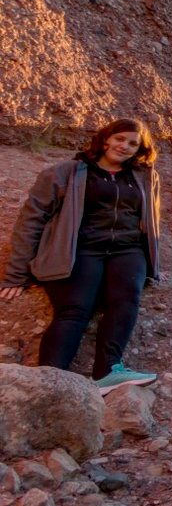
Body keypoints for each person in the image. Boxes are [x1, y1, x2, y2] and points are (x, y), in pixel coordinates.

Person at [2, 118, 162, 393]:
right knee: (75, 309)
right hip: (80, 249)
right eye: (120, 139)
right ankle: (49, 381)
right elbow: (31, 221)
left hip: (127, 250)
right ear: (105, 139)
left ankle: (108, 372)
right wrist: (16, 274)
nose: (124, 146)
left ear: (139, 149)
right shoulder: (66, 172)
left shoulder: (144, 177)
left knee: (126, 300)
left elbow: (151, 220)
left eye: (133, 143)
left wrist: (154, 263)